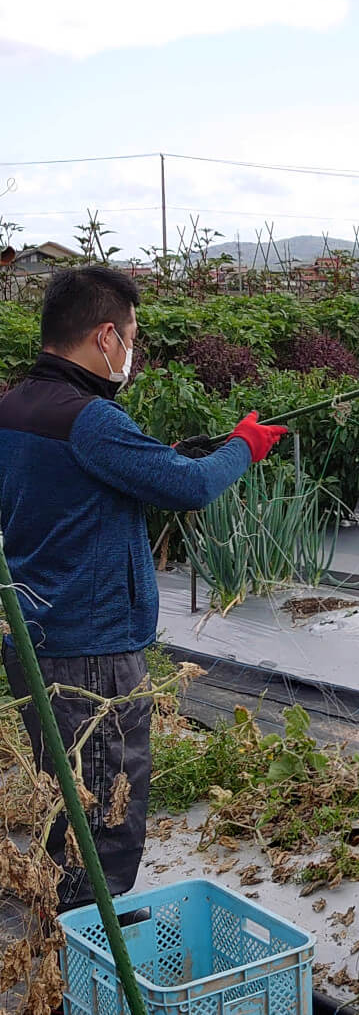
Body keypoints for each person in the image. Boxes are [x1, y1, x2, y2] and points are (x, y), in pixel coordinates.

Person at [0, 266, 287, 913]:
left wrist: (164, 454)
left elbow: (73, 491)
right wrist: (245, 445)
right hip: (92, 652)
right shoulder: (90, 420)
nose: (131, 350)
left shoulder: (15, 408)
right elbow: (190, 488)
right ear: (104, 335)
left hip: (36, 643)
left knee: (64, 794)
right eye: (131, 335)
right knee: (104, 819)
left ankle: (65, 924)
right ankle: (90, 947)